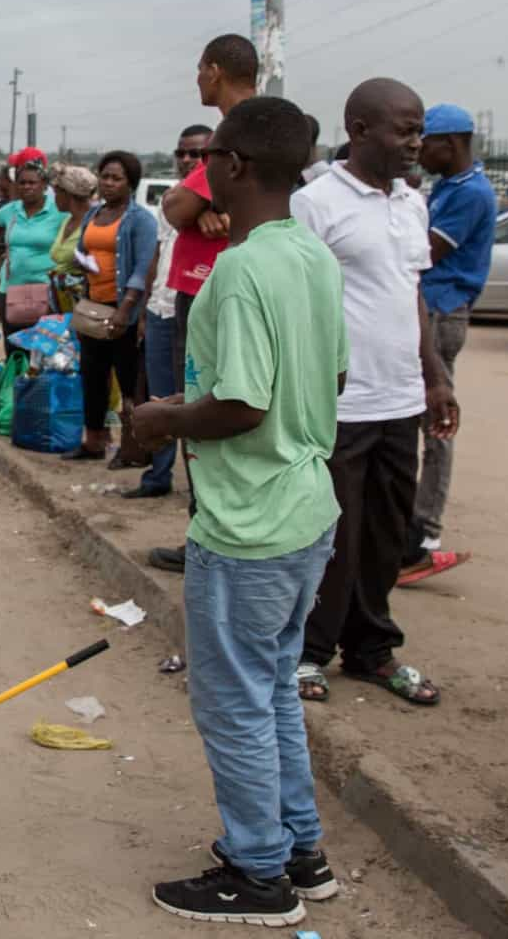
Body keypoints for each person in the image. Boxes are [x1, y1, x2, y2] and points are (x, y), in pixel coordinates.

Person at [132, 95, 346, 930]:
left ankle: (260, 877)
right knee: (272, 692)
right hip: (305, 511)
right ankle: (301, 852)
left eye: (211, 153)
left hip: (251, 525)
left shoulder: (242, 269)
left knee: (234, 703)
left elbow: (244, 406)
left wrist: (162, 417)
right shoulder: (313, 259)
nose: (203, 165)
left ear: (236, 167)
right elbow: (325, 383)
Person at [292, 78, 452, 708]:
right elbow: (299, 303)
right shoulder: (317, 202)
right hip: (340, 404)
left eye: (419, 130)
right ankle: (309, 651)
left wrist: (435, 376)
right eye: (405, 129)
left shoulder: (412, 202)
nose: (417, 142)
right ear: (359, 130)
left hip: (400, 400)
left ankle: (372, 650)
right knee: (331, 536)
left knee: (386, 536)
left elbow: (409, 293)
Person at [147, 36, 260, 573]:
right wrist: (197, 208)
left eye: (199, 70)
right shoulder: (240, 127)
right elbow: (179, 207)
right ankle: (208, 534)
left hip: (214, 288)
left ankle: (209, 540)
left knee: (208, 412)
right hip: (205, 284)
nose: (196, 79)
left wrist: (200, 205)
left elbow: (177, 204)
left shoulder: (240, 127)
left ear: (215, 71)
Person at [402, 103, 494, 582]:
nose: (419, 152)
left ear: (452, 143)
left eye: (426, 142)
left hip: (441, 310)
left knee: (433, 421)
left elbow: (423, 253)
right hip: (431, 307)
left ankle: (427, 530)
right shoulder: (449, 188)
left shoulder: (470, 194)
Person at [127, 126, 213, 500]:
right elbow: (158, 258)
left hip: (198, 308)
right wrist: (146, 308)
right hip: (163, 307)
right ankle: (158, 475)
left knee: (193, 401)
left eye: (197, 154)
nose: (188, 160)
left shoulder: (218, 206)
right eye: (182, 153)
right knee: (161, 398)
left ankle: (201, 494)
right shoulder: (171, 202)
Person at [62, 151, 157, 463]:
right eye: (105, 177)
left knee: (129, 382)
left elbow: (142, 269)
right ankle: (94, 442)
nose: (109, 183)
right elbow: (80, 250)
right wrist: (84, 264)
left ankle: (134, 447)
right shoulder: (93, 214)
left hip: (122, 311)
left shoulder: (140, 220)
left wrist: (125, 310)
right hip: (94, 309)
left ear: (131, 183)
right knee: (93, 377)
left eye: (117, 178)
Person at [0, 155, 67, 337]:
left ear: (44, 185)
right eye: (22, 182)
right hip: (10, 289)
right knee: (13, 347)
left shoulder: (58, 211)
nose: (27, 187)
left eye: (32, 183)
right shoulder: (10, 210)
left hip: (46, 291)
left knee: (44, 348)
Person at [46, 165, 98, 312]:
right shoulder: (67, 221)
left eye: (56, 193)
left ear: (68, 194)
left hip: (82, 306)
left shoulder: (93, 223)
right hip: (61, 302)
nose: (54, 198)